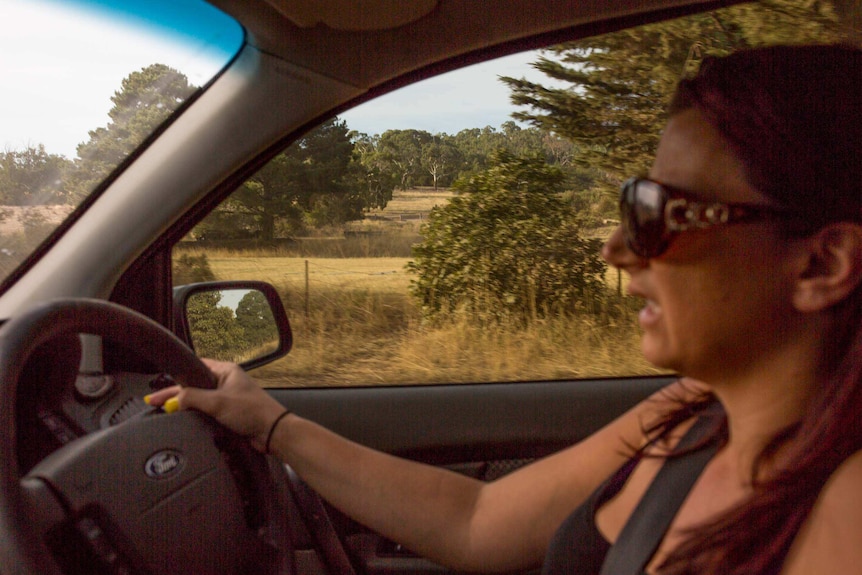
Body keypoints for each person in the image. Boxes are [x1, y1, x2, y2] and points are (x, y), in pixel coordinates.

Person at [147, 43, 862, 574]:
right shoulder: (691, 413)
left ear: (822, 263)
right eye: (628, 205)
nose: (616, 248)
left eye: (659, 213)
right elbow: (478, 520)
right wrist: (269, 422)